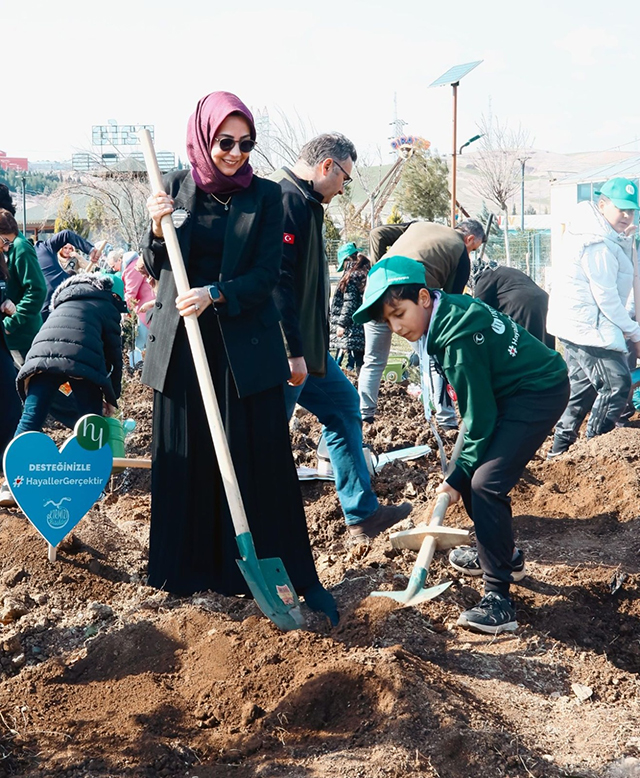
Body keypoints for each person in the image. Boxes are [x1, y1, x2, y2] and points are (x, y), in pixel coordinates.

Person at [141, 91, 337, 623]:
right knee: (187, 464)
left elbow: (267, 275)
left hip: (241, 353)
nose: (235, 153)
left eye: (246, 144)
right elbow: (153, 262)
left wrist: (216, 293)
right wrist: (156, 224)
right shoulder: (174, 189)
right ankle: (184, 576)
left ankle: (287, 574)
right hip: (182, 351)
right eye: (225, 142)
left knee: (261, 465)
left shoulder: (266, 197)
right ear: (204, 137)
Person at [353, 255, 569, 634]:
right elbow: (476, 411)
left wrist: (458, 476)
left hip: (538, 392)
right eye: (388, 321)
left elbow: (480, 418)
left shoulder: (457, 337)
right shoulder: (444, 311)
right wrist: (458, 472)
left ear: (423, 298)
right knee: (464, 470)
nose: (396, 326)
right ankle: (504, 555)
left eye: (399, 313)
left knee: (484, 482)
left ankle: (500, 598)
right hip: (508, 393)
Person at [271, 134, 412, 539]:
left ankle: (362, 514)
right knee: (265, 438)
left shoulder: (307, 203)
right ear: (326, 166)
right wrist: (291, 350)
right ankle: (249, 527)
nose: (343, 188)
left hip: (311, 351)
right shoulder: (286, 201)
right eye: (345, 178)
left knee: (344, 406)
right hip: (288, 353)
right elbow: (277, 284)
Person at [0, 272, 125, 506]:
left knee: (30, 419)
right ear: (114, 294)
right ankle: (91, 484)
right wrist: (111, 397)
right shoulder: (106, 306)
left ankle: (10, 484)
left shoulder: (63, 301)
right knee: (90, 423)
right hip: (79, 361)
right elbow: (114, 358)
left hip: (39, 361)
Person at [358, 219, 485, 428]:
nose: (470, 253)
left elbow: (378, 233)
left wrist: (379, 273)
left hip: (376, 287)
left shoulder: (419, 225)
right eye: (474, 248)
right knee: (433, 356)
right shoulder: (460, 251)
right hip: (409, 297)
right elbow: (450, 302)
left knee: (373, 358)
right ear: (470, 239)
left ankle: (364, 416)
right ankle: (446, 421)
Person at [547, 177, 640, 457]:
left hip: (578, 325)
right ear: (602, 205)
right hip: (588, 326)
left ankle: (559, 451)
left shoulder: (606, 236)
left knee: (582, 391)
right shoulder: (597, 243)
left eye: (631, 210)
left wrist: (627, 241)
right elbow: (607, 298)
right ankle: (593, 454)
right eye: (620, 209)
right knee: (617, 385)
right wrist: (633, 331)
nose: (626, 215)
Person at [0, 210, 47, 366]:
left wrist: (11, 323)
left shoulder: (21, 248)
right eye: (4, 242)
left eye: (7, 242)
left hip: (21, 337)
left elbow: (37, 291)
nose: (6, 248)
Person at [471, 262, 554, 348]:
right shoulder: (502, 270)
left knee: (524, 345)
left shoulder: (484, 278)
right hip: (545, 300)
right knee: (544, 345)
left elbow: (478, 311)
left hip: (523, 305)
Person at [35, 230, 98, 322]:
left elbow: (66, 235)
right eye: (65, 248)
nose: (67, 251)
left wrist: (90, 251)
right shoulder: (42, 248)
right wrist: (90, 250)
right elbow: (66, 235)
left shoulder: (42, 248)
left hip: (64, 299)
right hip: (65, 300)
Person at [330, 250, 370, 371]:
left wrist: (342, 324)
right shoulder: (365, 273)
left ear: (348, 261)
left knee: (358, 360)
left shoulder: (351, 276)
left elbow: (349, 302)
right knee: (363, 359)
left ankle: (360, 387)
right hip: (363, 324)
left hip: (352, 326)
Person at [122, 250, 155, 368]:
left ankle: (140, 369)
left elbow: (131, 293)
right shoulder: (138, 264)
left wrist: (124, 311)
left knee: (141, 344)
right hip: (149, 306)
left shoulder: (133, 267)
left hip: (145, 310)